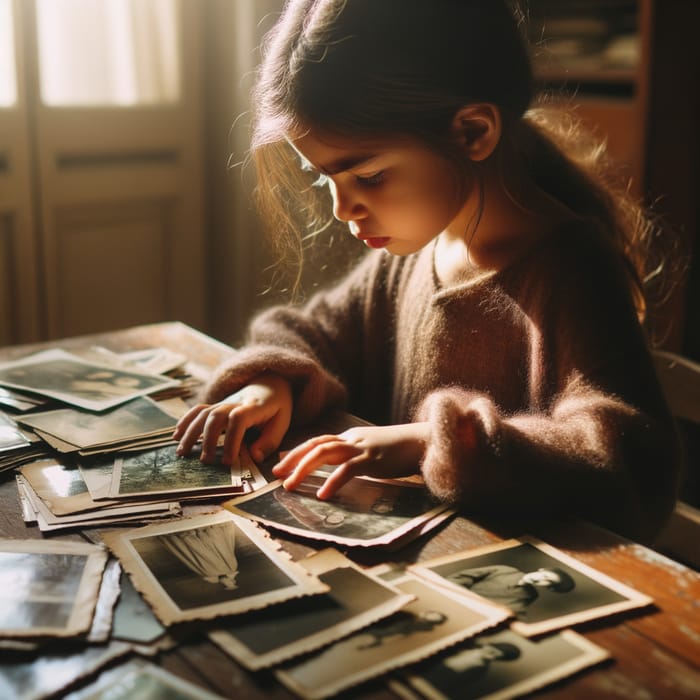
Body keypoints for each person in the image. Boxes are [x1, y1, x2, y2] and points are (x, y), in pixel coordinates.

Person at [173, 0, 681, 542]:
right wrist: (271, 384)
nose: (343, 209)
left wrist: (430, 442)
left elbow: (631, 462)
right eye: (326, 179)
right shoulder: (424, 252)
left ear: (472, 133)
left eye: (368, 177)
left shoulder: (571, 268)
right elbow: (308, 330)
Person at [446, 564, 575, 616]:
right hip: (449, 596)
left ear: (547, 588)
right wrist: (458, 596)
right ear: (541, 570)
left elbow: (510, 611)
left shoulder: (530, 595)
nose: (539, 579)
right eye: (544, 575)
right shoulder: (505, 570)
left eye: (547, 582)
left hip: (471, 614)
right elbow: (462, 577)